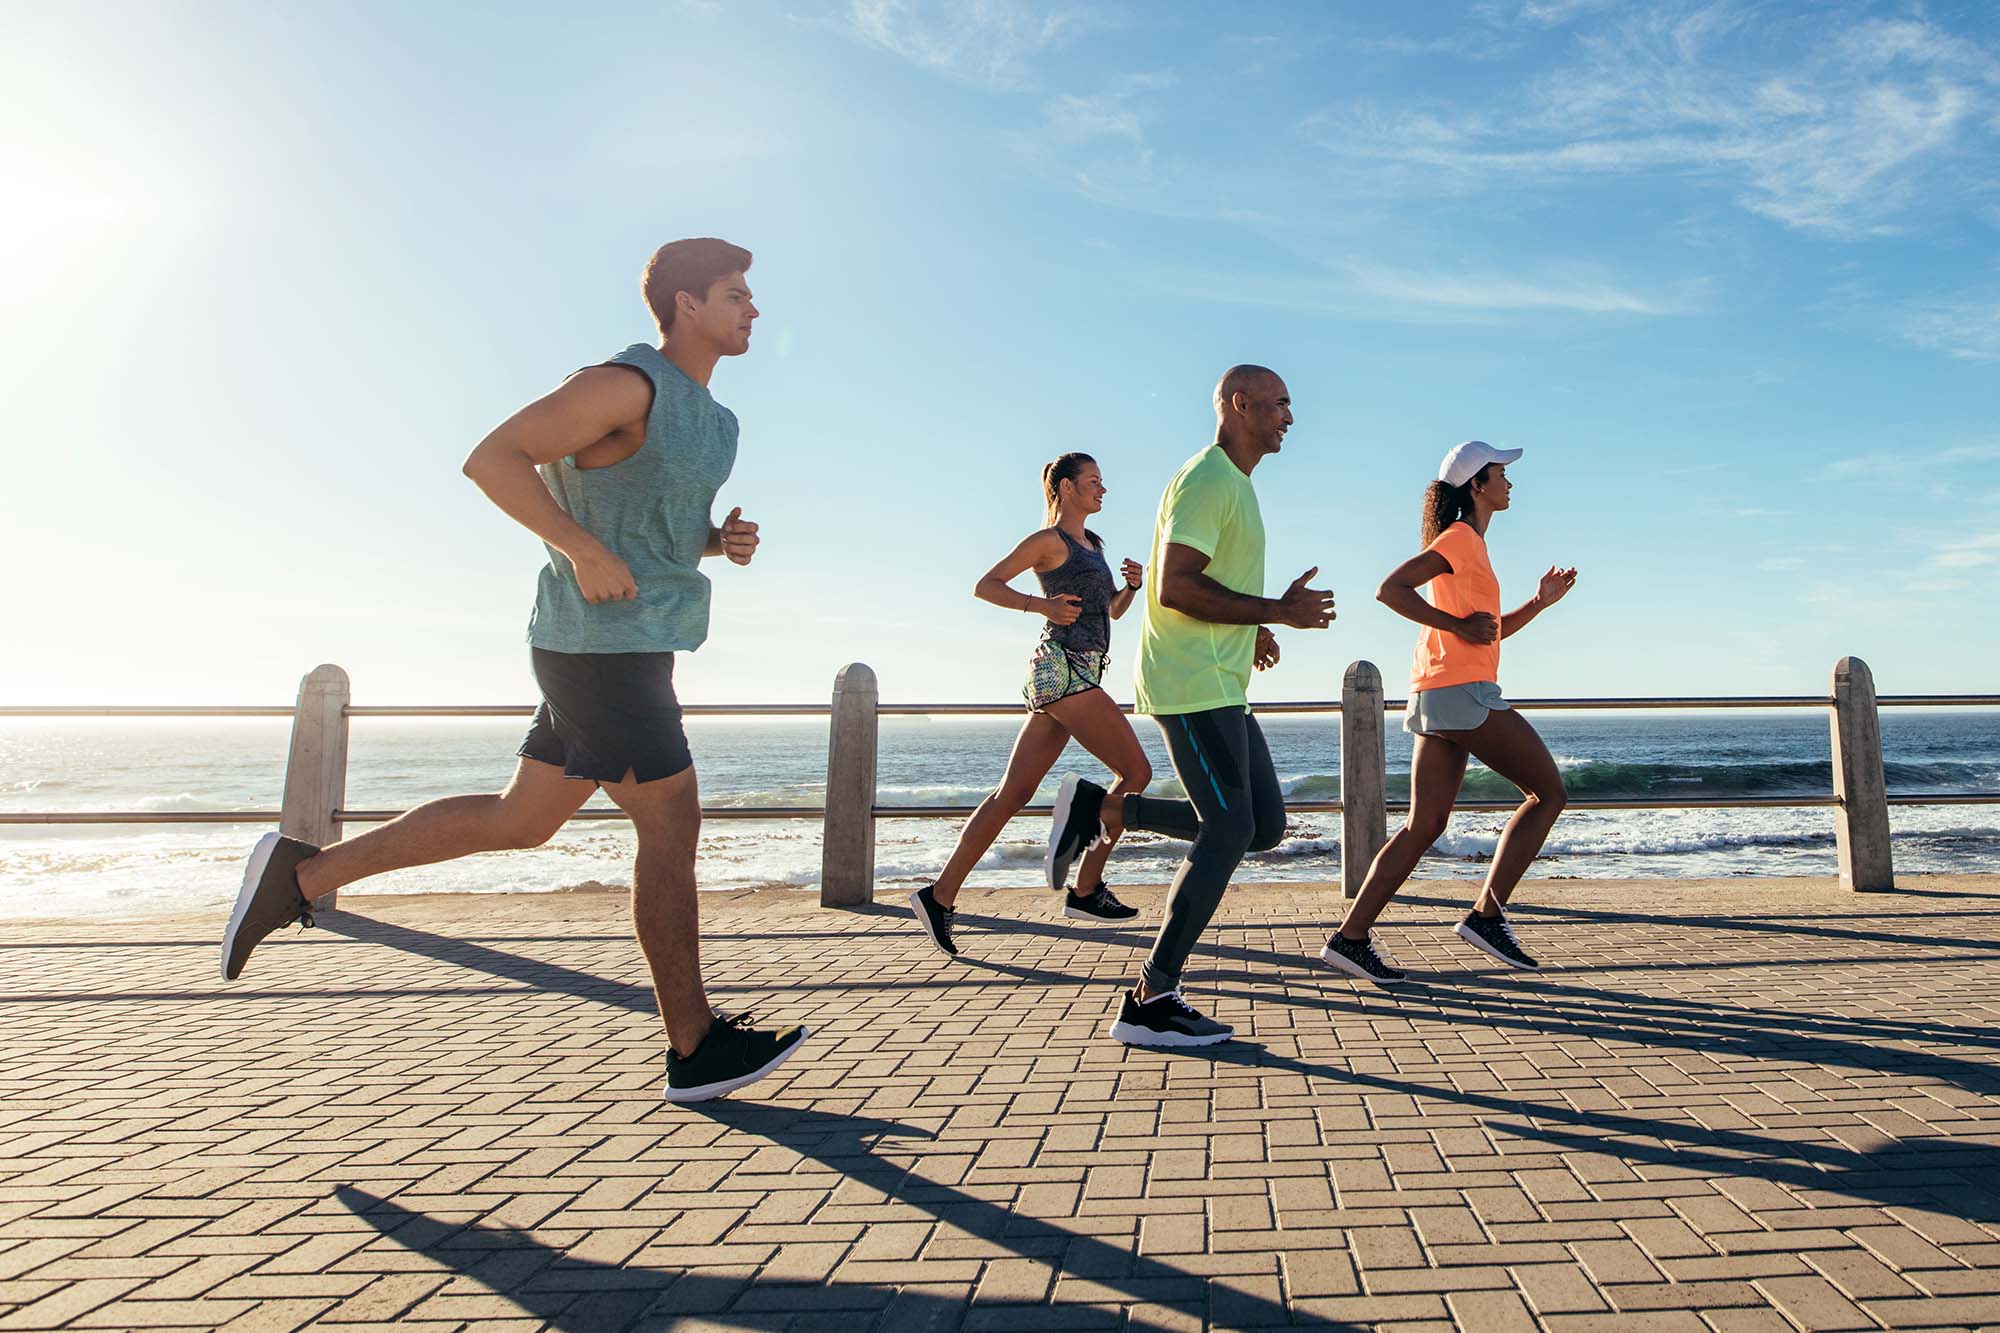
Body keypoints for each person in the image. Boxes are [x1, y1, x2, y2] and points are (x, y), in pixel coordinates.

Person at [220, 238, 809, 1103]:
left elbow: (648, 518)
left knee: (523, 818)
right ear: (686, 304)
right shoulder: (624, 382)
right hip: (596, 646)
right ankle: (694, 1046)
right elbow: (493, 457)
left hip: (638, 641)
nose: (752, 308)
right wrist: (574, 547)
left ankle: (299, 876)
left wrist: (717, 540)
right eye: (734, 293)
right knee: (672, 822)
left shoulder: (714, 420)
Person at [1062, 365, 1335, 1047]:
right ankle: (1151, 997)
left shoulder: (1236, 485)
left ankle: (1102, 808)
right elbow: (1178, 586)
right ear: (1240, 404)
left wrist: (1255, 627)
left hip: (1221, 679)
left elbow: (1204, 582)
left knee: (1262, 825)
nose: (1289, 418)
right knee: (1227, 826)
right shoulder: (1209, 477)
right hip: (1189, 682)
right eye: (1279, 404)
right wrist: (1276, 609)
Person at [1319, 440, 1577, 985]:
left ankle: (1351, 938)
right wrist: (1456, 626)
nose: (1510, 483)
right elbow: (1390, 589)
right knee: (1548, 793)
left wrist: (1539, 602)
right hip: (1462, 692)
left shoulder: (1472, 547)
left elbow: (1490, 629)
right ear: (1476, 486)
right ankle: (1487, 916)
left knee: (1425, 824)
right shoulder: (1459, 538)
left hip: (1439, 692)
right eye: (1501, 474)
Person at [905, 453, 1152, 958]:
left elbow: (1107, 614)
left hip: (1078, 668)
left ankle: (938, 895)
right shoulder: (1048, 542)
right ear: (1064, 488)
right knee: (1137, 774)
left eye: (1103, 482)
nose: (1103, 490)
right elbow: (986, 585)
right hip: (1062, 669)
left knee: (1012, 794)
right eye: (1092, 482)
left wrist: (1130, 587)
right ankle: (1085, 890)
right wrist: (1039, 605)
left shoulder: (1092, 546)